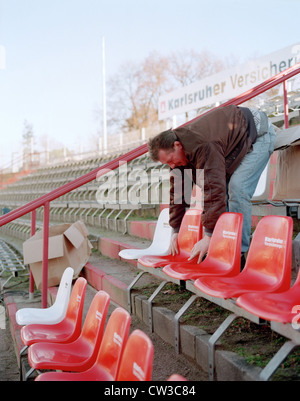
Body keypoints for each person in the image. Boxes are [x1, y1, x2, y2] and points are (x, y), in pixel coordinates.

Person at [148, 104, 276, 266]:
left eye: (171, 160)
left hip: (258, 135)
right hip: (235, 143)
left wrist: (208, 236)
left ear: (177, 145)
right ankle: (225, 247)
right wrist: (176, 230)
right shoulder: (179, 160)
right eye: (168, 164)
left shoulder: (202, 144)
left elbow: (213, 188)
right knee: (226, 192)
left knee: (237, 189)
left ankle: (239, 254)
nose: (172, 166)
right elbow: (179, 194)